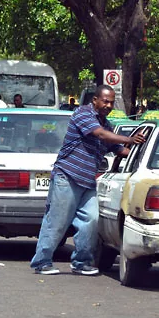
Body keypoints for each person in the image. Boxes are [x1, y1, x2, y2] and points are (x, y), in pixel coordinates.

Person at [30, 85, 146, 276]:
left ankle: (81, 262)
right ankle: (42, 262)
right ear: (95, 100)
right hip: (67, 176)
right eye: (105, 101)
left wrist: (141, 154)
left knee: (90, 221)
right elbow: (99, 134)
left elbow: (119, 150)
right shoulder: (82, 114)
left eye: (111, 102)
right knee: (57, 221)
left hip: (87, 181)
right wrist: (129, 139)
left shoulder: (106, 125)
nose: (108, 105)